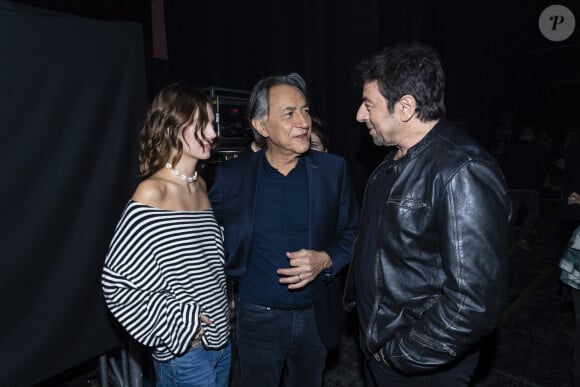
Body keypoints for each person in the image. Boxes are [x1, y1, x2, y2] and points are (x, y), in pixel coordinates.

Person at [344, 43, 511, 386]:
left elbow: (473, 304)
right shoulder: (391, 162)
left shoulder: (462, 170)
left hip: (421, 366)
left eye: (369, 104)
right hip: (380, 347)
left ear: (405, 107)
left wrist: (402, 352)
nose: (360, 115)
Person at [209, 72, 359, 387]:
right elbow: (202, 237)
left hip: (315, 316)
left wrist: (325, 259)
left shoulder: (333, 171)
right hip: (257, 318)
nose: (303, 121)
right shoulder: (232, 177)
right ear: (262, 126)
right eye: (289, 113)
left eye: (305, 110)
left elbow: (352, 233)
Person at [101, 82, 231, 387]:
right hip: (185, 353)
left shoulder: (198, 184)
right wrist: (179, 324)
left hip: (221, 341)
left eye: (212, 124)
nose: (213, 134)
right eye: (202, 125)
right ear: (172, 129)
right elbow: (116, 284)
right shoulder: (151, 193)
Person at [500, 123, 548, 251]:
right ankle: (522, 239)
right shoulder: (537, 148)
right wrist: (545, 178)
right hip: (529, 187)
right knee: (533, 213)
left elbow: (502, 165)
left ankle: (510, 242)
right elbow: (541, 166)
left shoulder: (511, 148)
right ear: (531, 135)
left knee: (513, 215)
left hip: (514, 187)